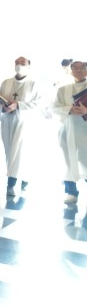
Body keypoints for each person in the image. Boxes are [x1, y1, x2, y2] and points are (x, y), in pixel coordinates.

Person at [0, 56, 42, 197]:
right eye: (17, 63)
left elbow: (38, 103)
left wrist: (19, 105)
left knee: (19, 152)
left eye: (23, 63)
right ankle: (24, 177)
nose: (19, 65)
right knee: (10, 152)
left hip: (24, 123)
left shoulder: (33, 84)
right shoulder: (6, 83)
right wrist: (3, 108)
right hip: (7, 122)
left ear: (29, 65)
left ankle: (11, 184)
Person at [53, 60, 87, 204]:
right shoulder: (63, 89)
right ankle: (71, 192)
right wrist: (69, 109)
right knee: (68, 161)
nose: (78, 70)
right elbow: (54, 107)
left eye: (82, 67)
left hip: (84, 130)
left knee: (85, 161)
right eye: (75, 68)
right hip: (67, 129)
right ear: (71, 71)